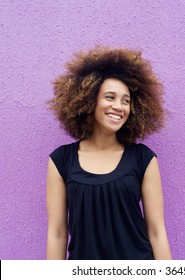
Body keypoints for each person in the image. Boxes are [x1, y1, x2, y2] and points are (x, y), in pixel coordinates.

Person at [46, 46, 172, 260]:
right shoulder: (61, 161)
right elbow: (57, 233)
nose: (119, 106)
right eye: (110, 97)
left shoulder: (143, 159)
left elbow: (157, 232)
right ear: (88, 100)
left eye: (126, 100)